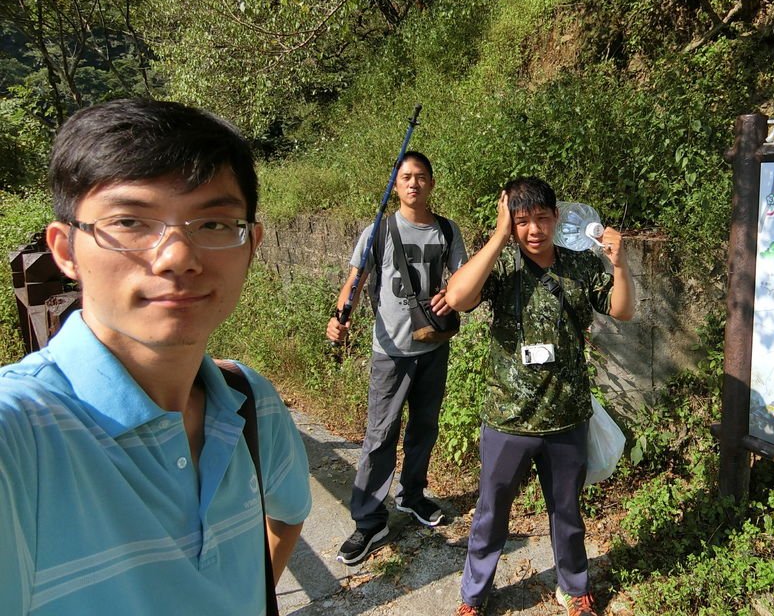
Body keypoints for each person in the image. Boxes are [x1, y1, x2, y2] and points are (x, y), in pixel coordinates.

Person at [0, 99, 312, 616]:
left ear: (252, 245)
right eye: (130, 222)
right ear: (65, 250)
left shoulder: (249, 402)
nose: (178, 258)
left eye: (214, 224)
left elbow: (288, 515)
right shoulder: (21, 436)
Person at [444, 177, 635, 616]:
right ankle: (474, 595)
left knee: (566, 513)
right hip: (507, 417)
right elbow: (456, 296)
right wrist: (497, 235)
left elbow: (623, 309)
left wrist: (620, 266)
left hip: (567, 418)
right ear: (511, 223)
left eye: (541, 219)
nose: (533, 230)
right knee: (491, 512)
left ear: (556, 218)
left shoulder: (579, 267)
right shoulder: (502, 266)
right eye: (522, 221)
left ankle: (574, 588)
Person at [326, 150, 467, 565]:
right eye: (405, 176)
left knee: (425, 426)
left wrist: (452, 294)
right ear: (396, 183)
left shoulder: (446, 230)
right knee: (380, 435)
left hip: (433, 346)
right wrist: (339, 318)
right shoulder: (379, 231)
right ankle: (369, 521)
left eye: (420, 176)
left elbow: (461, 280)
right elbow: (356, 280)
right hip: (390, 351)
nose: (413, 183)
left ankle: (412, 495)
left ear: (432, 183)